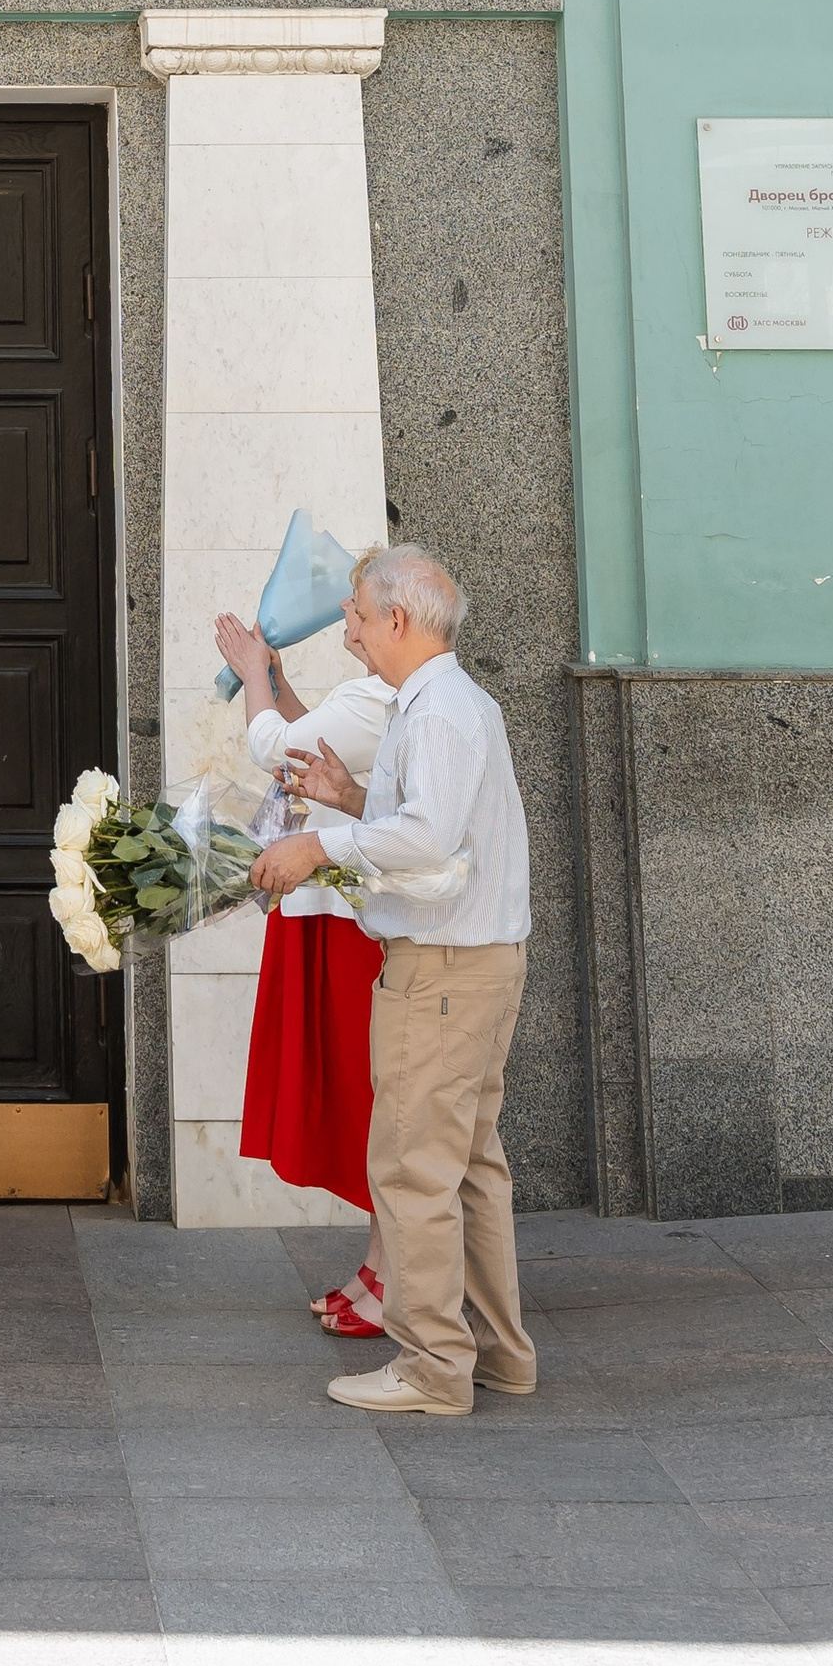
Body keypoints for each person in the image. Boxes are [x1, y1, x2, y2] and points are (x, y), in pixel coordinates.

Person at [258, 546, 540, 1421]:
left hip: (446, 971)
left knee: (415, 1170)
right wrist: (351, 798)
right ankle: (497, 1355)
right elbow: (428, 820)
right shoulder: (446, 702)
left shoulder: (441, 708)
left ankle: (431, 1367)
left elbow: (427, 841)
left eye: (353, 612)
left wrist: (319, 842)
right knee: (467, 1170)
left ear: (397, 621)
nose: (345, 625)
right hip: (473, 964)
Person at [216, 600, 397, 1334]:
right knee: (367, 1108)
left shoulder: (377, 698)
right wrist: (278, 684)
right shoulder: (371, 699)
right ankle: (382, 1269)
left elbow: (272, 747)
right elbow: (307, 747)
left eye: (356, 613)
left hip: (353, 922)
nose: (347, 628)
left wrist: (253, 673)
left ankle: (394, 1278)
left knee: (368, 1104)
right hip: (335, 913)